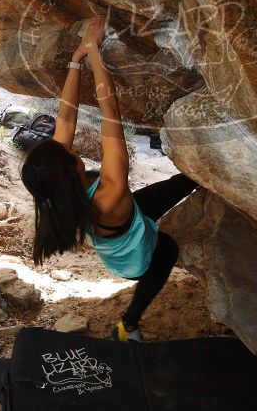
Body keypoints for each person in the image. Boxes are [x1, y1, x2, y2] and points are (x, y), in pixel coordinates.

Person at [21, 17, 197, 342]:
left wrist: (76, 61)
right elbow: (110, 111)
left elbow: (67, 115)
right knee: (167, 249)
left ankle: (196, 182)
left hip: (127, 219)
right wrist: (95, 52)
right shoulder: (110, 192)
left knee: (180, 184)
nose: (69, 147)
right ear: (70, 169)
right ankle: (128, 324)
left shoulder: (61, 183)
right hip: (133, 259)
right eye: (70, 154)